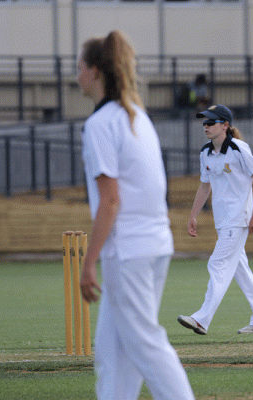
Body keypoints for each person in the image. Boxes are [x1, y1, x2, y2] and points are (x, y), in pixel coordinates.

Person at [76, 30, 195, 400]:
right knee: (113, 351)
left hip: (127, 251)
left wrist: (88, 262)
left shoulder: (100, 124)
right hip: (152, 244)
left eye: (78, 67)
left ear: (95, 72)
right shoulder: (136, 116)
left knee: (145, 344)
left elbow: (110, 201)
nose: (75, 75)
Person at [177, 104, 253, 335]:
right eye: (204, 123)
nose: (206, 127)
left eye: (211, 122)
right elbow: (204, 185)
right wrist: (193, 216)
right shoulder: (205, 153)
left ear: (225, 125)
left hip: (239, 219)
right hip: (223, 221)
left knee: (217, 264)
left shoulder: (239, 148)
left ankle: (201, 319)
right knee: (241, 270)